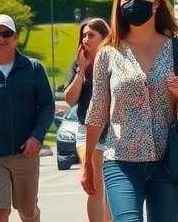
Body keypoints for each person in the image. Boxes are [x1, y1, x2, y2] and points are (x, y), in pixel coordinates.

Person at [81, 0, 178, 222]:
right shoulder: (109, 53)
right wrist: (88, 163)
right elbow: (97, 111)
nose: (134, 1)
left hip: (169, 162)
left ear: (156, 3)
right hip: (121, 161)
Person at [0, 14, 56, 222]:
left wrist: (37, 137)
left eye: (6, 33)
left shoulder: (33, 69)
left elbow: (47, 106)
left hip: (26, 154)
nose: (0, 39)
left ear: (16, 37)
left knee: (27, 211)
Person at [64, 18, 114, 222]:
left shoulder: (115, 60)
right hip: (87, 130)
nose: (85, 39)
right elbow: (70, 100)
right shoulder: (78, 63)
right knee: (94, 186)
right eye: (83, 35)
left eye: (90, 35)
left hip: (112, 131)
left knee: (110, 188)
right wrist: (81, 70)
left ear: (104, 37)